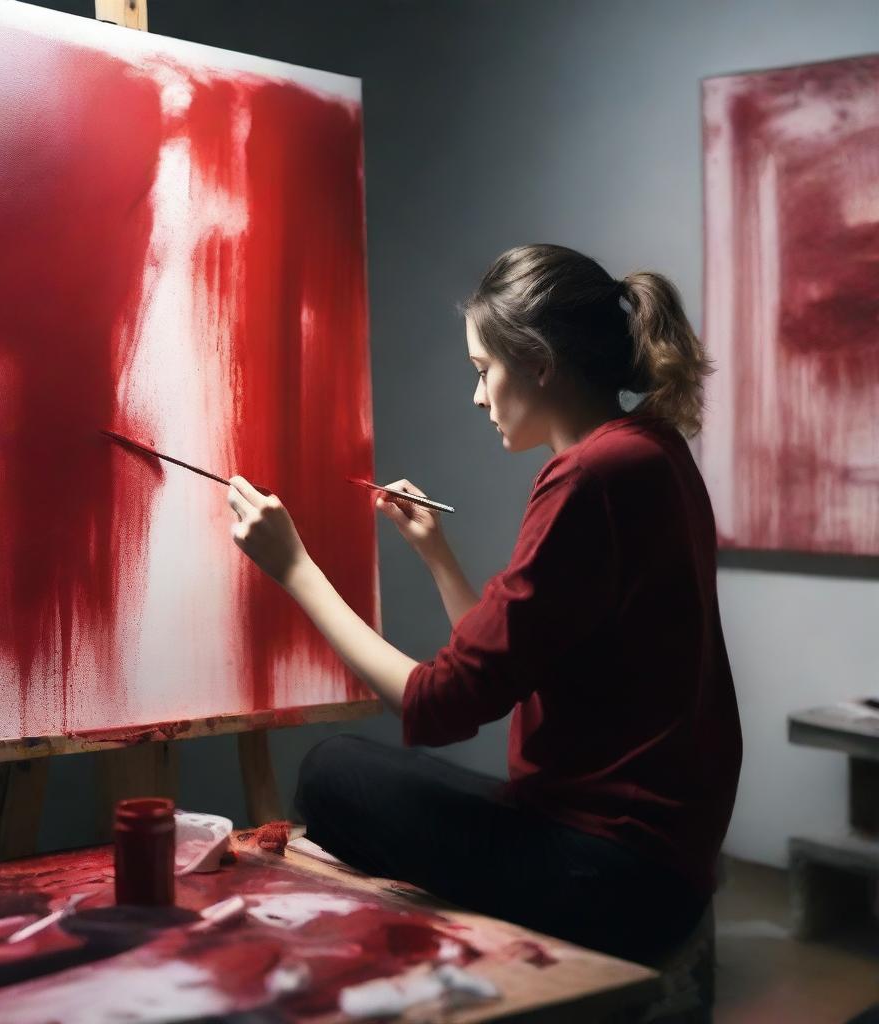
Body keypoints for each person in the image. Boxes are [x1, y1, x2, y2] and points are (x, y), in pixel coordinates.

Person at [225, 243, 742, 964]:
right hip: (649, 860)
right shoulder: (648, 452)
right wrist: (436, 553)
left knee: (330, 771)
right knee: (351, 773)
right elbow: (506, 664)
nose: (477, 397)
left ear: (537, 363)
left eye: (483, 371)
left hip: (614, 874)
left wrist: (296, 570)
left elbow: (437, 705)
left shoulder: (591, 476)